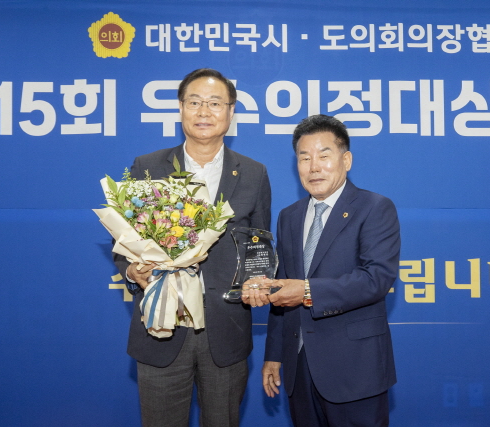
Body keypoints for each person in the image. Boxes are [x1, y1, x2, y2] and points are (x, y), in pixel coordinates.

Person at [114, 68, 271, 427]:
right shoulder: (147, 167)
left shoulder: (253, 173)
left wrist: (258, 279)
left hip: (225, 329)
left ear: (230, 112)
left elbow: (259, 243)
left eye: (215, 103)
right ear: (180, 108)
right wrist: (132, 270)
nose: (204, 112)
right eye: (195, 102)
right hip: (161, 328)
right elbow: (123, 240)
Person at [249, 114, 400, 426]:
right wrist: (274, 354)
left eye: (324, 155)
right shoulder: (289, 216)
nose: (313, 167)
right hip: (298, 366)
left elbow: (376, 279)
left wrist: (307, 291)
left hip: (355, 369)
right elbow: (281, 287)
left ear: (346, 160)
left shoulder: (374, 207)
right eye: (304, 158)